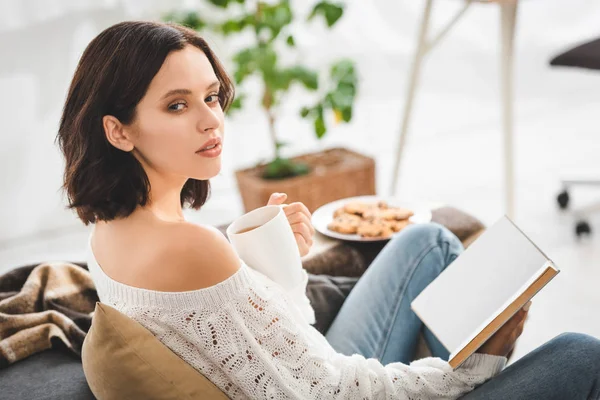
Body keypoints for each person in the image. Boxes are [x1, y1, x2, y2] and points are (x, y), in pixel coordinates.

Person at [57, 21, 600, 399]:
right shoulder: (189, 247)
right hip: (337, 388)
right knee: (581, 352)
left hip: (316, 371)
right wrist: (477, 366)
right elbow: (334, 392)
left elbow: (282, 347)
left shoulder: (113, 225)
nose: (210, 120)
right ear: (118, 129)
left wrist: (280, 264)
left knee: (426, 240)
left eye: (212, 95)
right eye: (177, 105)